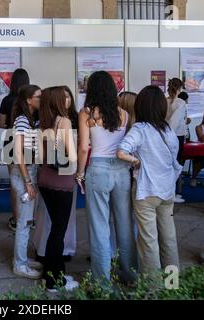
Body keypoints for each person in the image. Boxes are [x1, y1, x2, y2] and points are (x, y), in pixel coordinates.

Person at [76, 71, 137, 285]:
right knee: (125, 224)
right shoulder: (124, 114)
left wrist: (80, 173)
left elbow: (84, 148)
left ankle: (102, 282)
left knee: (99, 226)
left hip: (98, 170)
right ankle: (130, 275)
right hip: (122, 171)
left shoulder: (87, 113)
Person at [117, 85, 181, 277]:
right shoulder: (167, 130)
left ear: (141, 106)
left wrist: (136, 161)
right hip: (167, 191)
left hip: (146, 192)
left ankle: (152, 289)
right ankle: (172, 284)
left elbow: (121, 151)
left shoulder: (140, 129)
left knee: (148, 241)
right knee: (169, 239)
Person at [37, 86, 79, 292]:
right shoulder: (64, 121)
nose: (68, 100)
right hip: (61, 181)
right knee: (58, 231)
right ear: (57, 101)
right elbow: (71, 155)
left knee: (54, 229)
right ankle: (55, 281)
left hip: (44, 178)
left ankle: (49, 274)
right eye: (64, 98)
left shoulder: (43, 122)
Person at [9, 84, 43, 279]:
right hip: (24, 173)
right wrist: (28, 181)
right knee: (23, 221)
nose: (41, 99)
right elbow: (19, 153)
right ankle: (20, 265)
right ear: (29, 100)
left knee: (27, 219)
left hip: (29, 171)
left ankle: (21, 258)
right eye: (38, 97)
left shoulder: (30, 120)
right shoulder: (22, 120)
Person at [0, 68, 30, 231]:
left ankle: (17, 219)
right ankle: (30, 218)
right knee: (30, 180)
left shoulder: (7, 100)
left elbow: (1, 123)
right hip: (29, 143)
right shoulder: (30, 99)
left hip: (10, 141)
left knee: (14, 182)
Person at [166, 78, 188, 204]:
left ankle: (171, 192)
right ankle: (171, 194)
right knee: (175, 165)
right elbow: (174, 122)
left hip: (166, 135)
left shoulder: (165, 100)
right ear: (180, 88)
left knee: (170, 165)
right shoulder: (180, 102)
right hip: (176, 136)